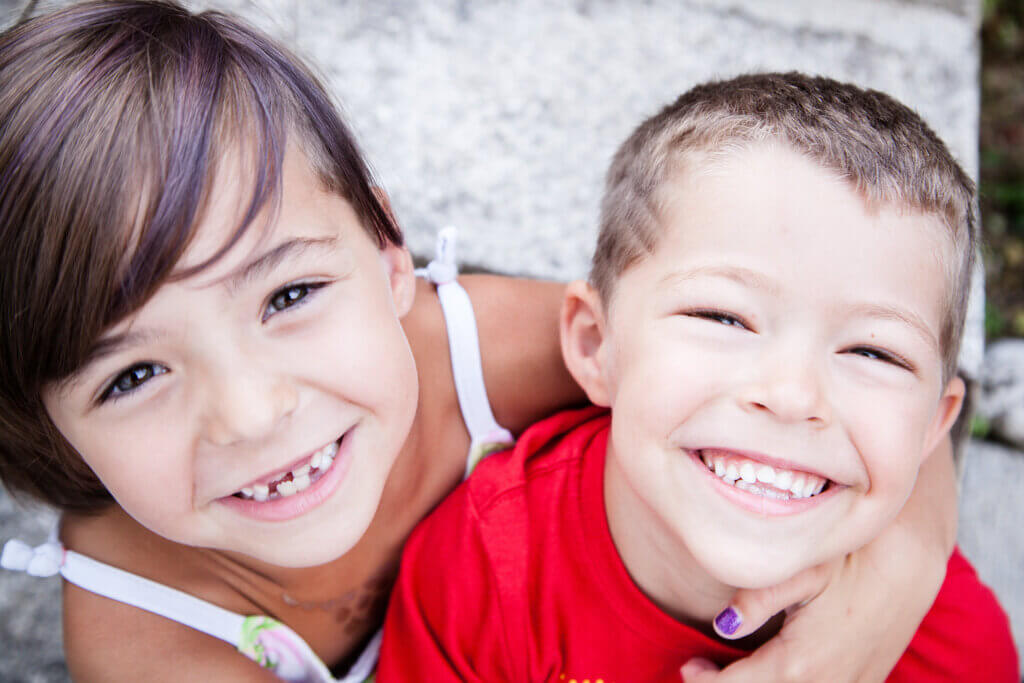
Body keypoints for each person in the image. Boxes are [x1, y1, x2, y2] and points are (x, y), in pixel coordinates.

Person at [0, 3, 965, 680]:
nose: (253, 412)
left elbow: (871, 399)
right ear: (43, 418)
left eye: (289, 292)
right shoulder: (145, 637)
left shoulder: (491, 352)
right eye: (133, 373)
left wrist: (882, 601)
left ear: (388, 254)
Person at [378, 72, 1019, 682]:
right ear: (595, 344)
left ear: (936, 422)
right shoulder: (483, 577)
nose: (793, 397)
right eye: (723, 316)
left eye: (873, 353)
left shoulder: (957, 653)